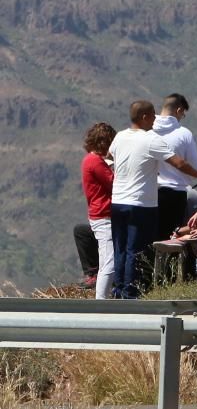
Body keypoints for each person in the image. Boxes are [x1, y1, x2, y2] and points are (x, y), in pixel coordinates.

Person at [108, 101, 197, 298]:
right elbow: (178, 162)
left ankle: (118, 289)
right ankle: (131, 293)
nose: (156, 119)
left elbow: (110, 156)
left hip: (118, 201)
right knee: (135, 250)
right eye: (153, 115)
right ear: (145, 117)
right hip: (140, 203)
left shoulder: (120, 136)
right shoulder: (150, 139)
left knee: (119, 248)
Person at [153, 93, 197, 241]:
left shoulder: (147, 131)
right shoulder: (183, 134)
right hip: (175, 195)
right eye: (183, 115)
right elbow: (196, 165)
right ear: (179, 110)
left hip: (149, 192)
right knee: (171, 238)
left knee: (151, 236)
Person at [80, 122, 115, 296]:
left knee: (108, 260)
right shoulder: (95, 162)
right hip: (103, 215)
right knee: (109, 262)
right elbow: (113, 183)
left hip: (99, 214)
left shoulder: (89, 159)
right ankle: (101, 301)